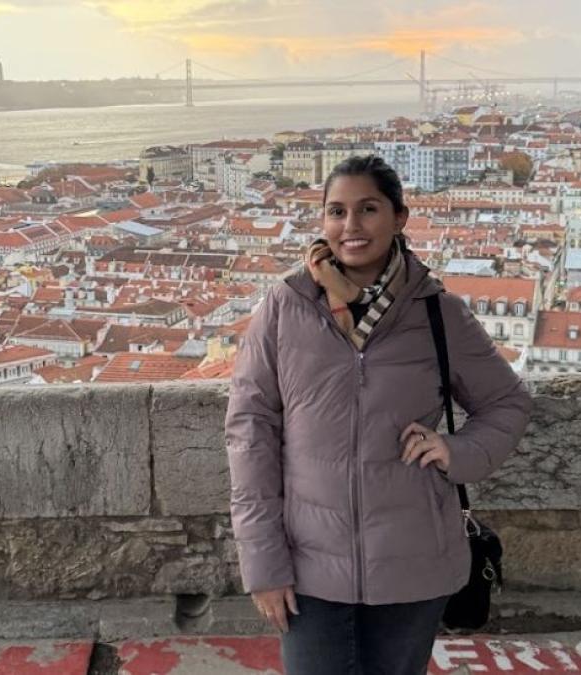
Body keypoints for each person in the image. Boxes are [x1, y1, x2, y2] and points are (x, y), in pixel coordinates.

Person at [225, 155, 533, 674]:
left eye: (368, 209)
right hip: (308, 564)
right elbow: (249, 432)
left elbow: (508, 402)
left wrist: (456, 451)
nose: (351, 226)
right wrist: (262, 561)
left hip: (413, 560)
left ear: (399, 217)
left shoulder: (438, 312)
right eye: (336, 211)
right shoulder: (286, 306)